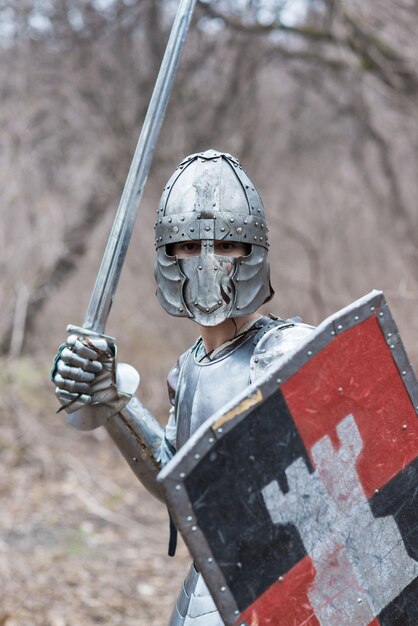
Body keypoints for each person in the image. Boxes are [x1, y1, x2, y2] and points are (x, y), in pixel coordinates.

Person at [51, 149, 313, 626]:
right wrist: (113, 403)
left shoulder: (287, 353)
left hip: (279, 595)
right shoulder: (187, 370)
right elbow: (185, 493)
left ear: (253, 253)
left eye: (228, 246)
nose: (207, 262)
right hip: (202, 595)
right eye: (188, 246)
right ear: (168, 256)